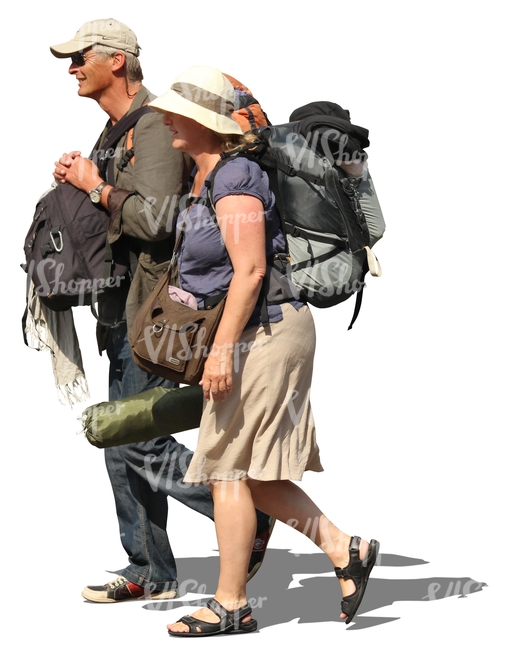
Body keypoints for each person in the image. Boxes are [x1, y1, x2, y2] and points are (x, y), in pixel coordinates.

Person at [146, 65, 380, 636]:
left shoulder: (237, 177)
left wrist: (221, 351)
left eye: (177, 111)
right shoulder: (208, 176)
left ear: (206, 121)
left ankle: (231, 604)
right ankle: (344, 548)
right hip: (255, 332)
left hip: (267, 332)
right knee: (244, 470)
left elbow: (250, 271)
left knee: (227, 467)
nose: (167, 117)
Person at [49, 19, 273, 604]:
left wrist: (96, 188)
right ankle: (148, 567)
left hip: (155, 315)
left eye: (80, 58)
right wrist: (79, 183)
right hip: (123, 308)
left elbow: (156, 219)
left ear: (116, 62)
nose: (71, 68)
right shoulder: (116, 130)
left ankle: (242, 513)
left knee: (138, 439)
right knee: (120, 443)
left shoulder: (150, 127)